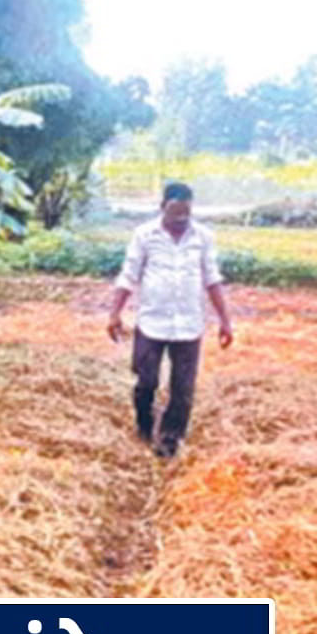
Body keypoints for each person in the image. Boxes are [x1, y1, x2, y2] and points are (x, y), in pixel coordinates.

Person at [107, 182, 234, 458]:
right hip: (151, 322)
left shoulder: (203, 237)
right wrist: (115, 313)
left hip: (189, 325)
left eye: (185, 214)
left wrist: (225, 320)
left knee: (183, 389)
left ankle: (168, 442)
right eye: (174, 213)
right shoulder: (144, 235)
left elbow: (212, 279)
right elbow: (129, 275)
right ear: (162, 207)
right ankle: (144, 425)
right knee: (146, 381)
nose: (180, 220)